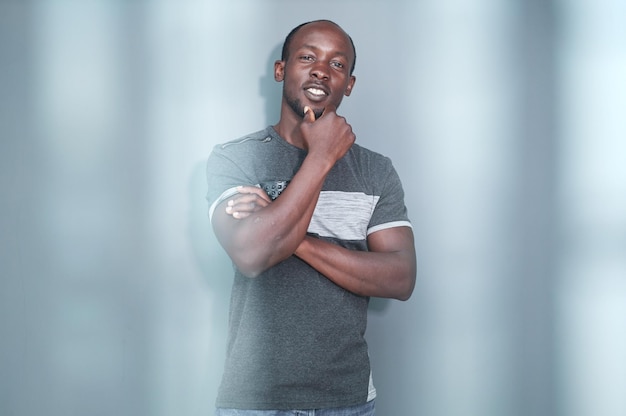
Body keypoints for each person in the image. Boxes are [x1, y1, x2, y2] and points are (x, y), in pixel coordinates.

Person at [205, 19, 416, 416]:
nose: (322, 69)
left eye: (337, 64)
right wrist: (321, 157)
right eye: (307, 57)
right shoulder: (236, 158)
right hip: (254, 402)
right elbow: (252, 255)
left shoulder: (376, 171)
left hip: (349, 401)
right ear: (280, 70)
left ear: (349, 84)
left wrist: (286, 233)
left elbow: (400, 278)